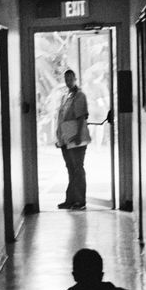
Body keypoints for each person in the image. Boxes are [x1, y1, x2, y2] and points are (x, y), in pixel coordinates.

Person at [54, 69, 90, 210]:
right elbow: (62, 117)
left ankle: (80, 201)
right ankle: (70, 200)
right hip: (66, 137)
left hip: (76, 138)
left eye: (70, 78)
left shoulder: (80, 96)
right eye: (66, 79)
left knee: (77, 169)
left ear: (75, 78)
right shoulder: (65, 96)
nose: (68, 81)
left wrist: (78, 136)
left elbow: (81, 117)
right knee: (71, 169)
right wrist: (60, 137)